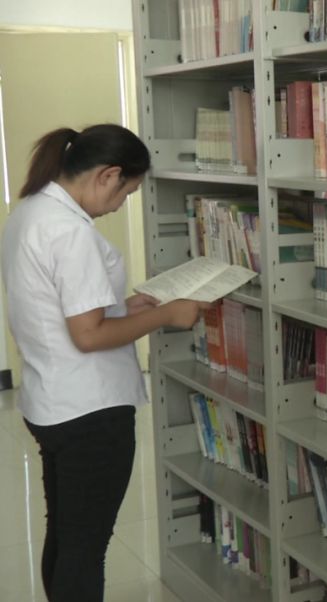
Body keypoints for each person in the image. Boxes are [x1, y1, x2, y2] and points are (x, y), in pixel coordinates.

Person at [1, 124, 206, 602]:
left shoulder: (30, 211)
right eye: (126, 192)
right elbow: (88, 335)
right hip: (90, 413)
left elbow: (62, 308)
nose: (119, 205)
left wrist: (127, 307)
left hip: (51, 402)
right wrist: (167, 315)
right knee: (85, 548)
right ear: (108, 175)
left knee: (66, 533)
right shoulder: (71, 233)